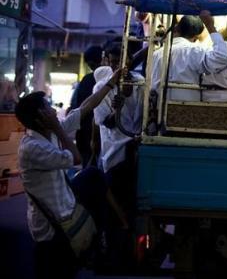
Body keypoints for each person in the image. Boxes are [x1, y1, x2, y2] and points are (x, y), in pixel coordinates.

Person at [16, 68, 122, 279]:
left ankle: (105, 237)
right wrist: (58, 128)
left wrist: (110, 84)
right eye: (48, 108)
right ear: (40, 118)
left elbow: (84, 108)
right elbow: (75, 159)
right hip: (51, 228)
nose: (54, 111)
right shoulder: (32, 148)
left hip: (67, 211)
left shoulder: (49, 133)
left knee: (93, 176)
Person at [93, 48, 143, 219]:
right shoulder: (101, 87)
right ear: (108, 61)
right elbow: (105, 121)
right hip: (114, 154)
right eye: (113, 62)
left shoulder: (141, 83)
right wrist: (118, 106)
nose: (117, 67)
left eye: (121, 62)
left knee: (133, 203)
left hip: (135, 152)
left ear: (129, 61)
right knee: (114, 206)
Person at [151, 10, 227, 101]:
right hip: (186, 110)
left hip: (157, 108)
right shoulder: (195, 51)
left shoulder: (156, 54)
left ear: (177, 29)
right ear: (196, 36)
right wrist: (210, 26)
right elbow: (222, 57)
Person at [68, 45, 103, 166]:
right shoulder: (90, 80)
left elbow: (77, 107)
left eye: (93, 65)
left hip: (90, 135)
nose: (94, 69)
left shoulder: (88, 80)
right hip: (92, 135)